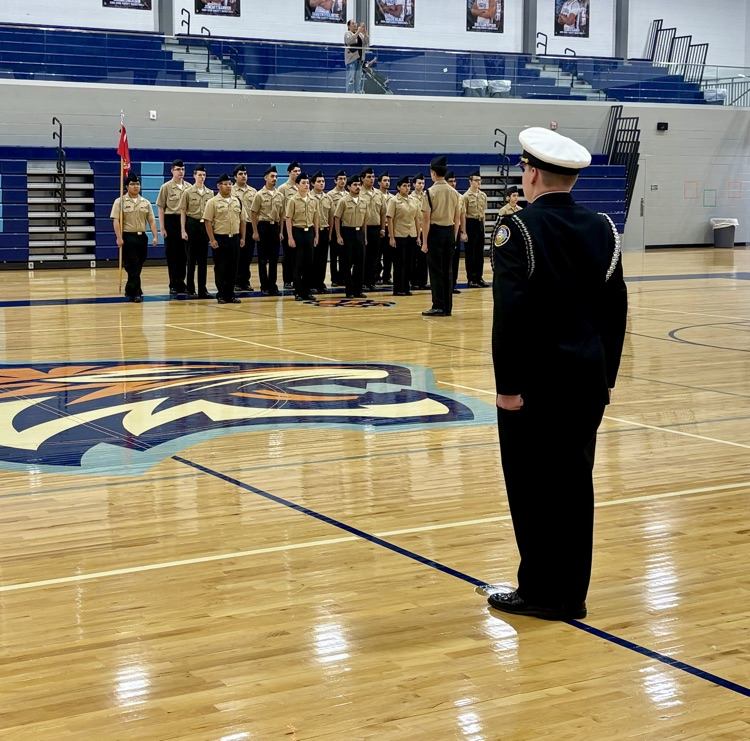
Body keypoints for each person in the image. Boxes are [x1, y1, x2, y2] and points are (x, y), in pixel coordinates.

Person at [487, 127, 628, 620]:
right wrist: (605, 377)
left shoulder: (518, 230)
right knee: (574, 487)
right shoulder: (604, 228)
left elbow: (510, 316)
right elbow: (615, 312)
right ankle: (571, 593)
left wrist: (507, 388)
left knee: (532, 490)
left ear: (531, 174)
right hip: (586, 383)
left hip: (535, 389)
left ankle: (541, 591)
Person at [421, 156, 461, 316]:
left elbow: (426, 220)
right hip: (450, 232)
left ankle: (438, 305)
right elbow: (457, 218)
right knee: (448, 270)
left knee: (436, 271)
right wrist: (454, 237)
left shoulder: (430, 193)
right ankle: (448, 307)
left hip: (435, 233)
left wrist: (424, 242)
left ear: (433, 173)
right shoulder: (455, 193)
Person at [111, 172, 158, 303]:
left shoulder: (145, 202)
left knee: (139, 263)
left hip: (142, 237)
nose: (135, 186)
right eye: (132, 184)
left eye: (137, 184)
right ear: (126, 186)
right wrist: (119, 237)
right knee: (133, 264)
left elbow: (152, 220)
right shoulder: (120, 201)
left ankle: (130, 287)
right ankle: (136, 292)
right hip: (128, 236)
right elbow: (116, 221)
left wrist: (155, 236)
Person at [203, 172, 246, 305]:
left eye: (229, 184)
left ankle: (230, 294)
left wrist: (243, 237)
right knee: (221, 267)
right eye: (225, 184)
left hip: (234, 238)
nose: (228, 186)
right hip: (220, 238)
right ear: (218, 186)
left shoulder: (237, 200)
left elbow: (243, 220)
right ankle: (221, 294)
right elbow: (208, 221)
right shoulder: (212, 202)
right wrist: (212, 239)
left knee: (233, 268)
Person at [179, 164, 214, 299]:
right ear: (194, 176)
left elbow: (212, 214)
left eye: (204, 175)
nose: (202, 177)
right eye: (199, 175)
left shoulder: (210, 193)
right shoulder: (187, 192)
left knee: (203, 260)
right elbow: (183, 211)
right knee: (191, 259)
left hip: (204, 225)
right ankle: (190, 288)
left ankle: (202, 289)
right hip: (192, 224)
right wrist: (183, 229)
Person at [156, 159, 188, 296]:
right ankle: (173, 283)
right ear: (172, 171)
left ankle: (182, 282)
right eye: (177, 169)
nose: (180, 172)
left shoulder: (189, 187)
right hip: (171, 220)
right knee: (172, 254)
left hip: (185, 221)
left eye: (182, 169)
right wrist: (162, 227)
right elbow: (161, 208)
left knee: (184, 255)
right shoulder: (166, 187)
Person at [285, 171, 319, 302]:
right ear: (297, 185)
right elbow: (288, 219)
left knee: (309, 264)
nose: (306, 185)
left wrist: (316, 235)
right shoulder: (293, 200)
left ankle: (307, 291)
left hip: (309, 232)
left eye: (307, 183)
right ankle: (298, 291)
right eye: (303, 183)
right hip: (297, 232)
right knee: (298, 264)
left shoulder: (312, 200)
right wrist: (290, 237)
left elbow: (316, 218)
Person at [334, 175, 369, 298]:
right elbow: (337, 218)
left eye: (359, 185)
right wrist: (338, 235)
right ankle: (349, 290)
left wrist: (364, 236)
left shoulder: (364, 201)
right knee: (347, 263)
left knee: (360, 263)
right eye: (354, 185)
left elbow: (365, 220)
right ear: (349, 187)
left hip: (359, 232)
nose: (357, 187)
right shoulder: (343, 201)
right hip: (347, 232)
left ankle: (358, 290)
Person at [386, 175, 420, 296]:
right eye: (404, 186)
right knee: (399, 263)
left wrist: (418, 236)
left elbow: (417, 219)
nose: (407, 188)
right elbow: (390, 219)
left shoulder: (413, 200)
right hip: (399, 234)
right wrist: (391, 237)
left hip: (411, 234)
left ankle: (406, 287)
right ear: (399, 187)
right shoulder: (394, 201)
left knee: (409, 263)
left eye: (408, 185)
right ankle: (398, 288)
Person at [250, 165, 281, 296]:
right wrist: (255, 231)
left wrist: (281, 231)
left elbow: (283, 214)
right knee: (263, 259)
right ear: (265, 178)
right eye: (272, 176)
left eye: (276, 176)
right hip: (263, 227)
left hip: (275, 227)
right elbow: (253, 213)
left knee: (274, 259)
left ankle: (273, 285)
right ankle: (264, 285)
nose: (274, 179)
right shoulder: (259, 195)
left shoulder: (279, 195)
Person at [275, 161, 302, 289]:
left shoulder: (302, 187)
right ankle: (287, 279)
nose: (297, 173)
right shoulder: (283, 189)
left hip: (300, 225)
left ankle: (298, 278)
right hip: (288, 224)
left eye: (299, 171)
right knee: (288, 254)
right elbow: (281, 210)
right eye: (295, 171)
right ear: (288, 173)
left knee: (299, 254)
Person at [231, 164, 257, 292]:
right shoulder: (231, 190)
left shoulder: (253, 191)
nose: (243, 176)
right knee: (237, 255)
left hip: (249, 225)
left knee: (248, 256)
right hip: (236, 225)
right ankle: (235, 281)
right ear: (235, 177)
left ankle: (245, 281)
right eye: (240, 174)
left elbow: (256, 211)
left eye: (245, 174)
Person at [360, 166, 386, 291]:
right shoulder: (358, 193)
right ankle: (362, 282)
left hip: (375, 229)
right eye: (369, 177)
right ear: (362, 179)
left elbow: (382, 213)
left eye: (373, 177)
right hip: (362, 228)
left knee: (374, 257)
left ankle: (371, 281)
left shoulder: (378, 194)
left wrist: (382, 229)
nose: (371, 179)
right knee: (362, 256)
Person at [463, 170, 489, 287]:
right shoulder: (466, 196)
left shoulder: (483, 195)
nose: (478, 182)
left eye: (479, 180)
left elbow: (483, 213)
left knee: (479, 252)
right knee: (471, 253)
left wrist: (483, 228)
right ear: (470, 181)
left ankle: (479, 277)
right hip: (470, 223)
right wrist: (464, 231)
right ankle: (471, 278)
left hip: (479, 224)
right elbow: (463, 215)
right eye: (476, 180)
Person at [311, 171, 334, 293]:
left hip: (324, 230)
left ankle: (320, 282)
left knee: (322, 259)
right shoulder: (309, 197)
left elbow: (331, 217)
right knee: (312, 259)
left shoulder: (328, 198)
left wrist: (330, 232)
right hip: (312, 231)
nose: (321, 183)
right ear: (313, 183)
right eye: (319, 181)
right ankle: (311, 283)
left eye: (323, 181)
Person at [446, 171, 467, 294]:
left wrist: (463, 232)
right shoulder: (442, 194)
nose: (453, 184)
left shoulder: (460, 197)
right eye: (450, 181)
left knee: (455, 259)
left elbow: (462, 216)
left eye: (454, 181)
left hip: (456, 229)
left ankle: (453, 284)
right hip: (445, 229)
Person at [327, 170, 348, 286]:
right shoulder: (330, 195)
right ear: (335, 180)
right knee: (334, 255)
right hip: (335, 227)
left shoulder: (348, 194)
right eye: (340, 179)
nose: (342, 181)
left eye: (344, 179)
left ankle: (343, 276)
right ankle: (334, 278)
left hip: (345, 227)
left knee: (344, 255)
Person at [410, 173, 429, 290]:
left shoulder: (426, 196)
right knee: (414, 257)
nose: (421, 185)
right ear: (414, 184)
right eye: (419, 183)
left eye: (422, 183)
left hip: (425, 230)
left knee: (424, 258)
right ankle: (414, 280)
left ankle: (423, 281)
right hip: (415, 230)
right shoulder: (411, 198)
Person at [377, 171, 393, 285]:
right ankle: (376, 275)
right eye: (384, 181)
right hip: (378, 227)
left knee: (389, 255)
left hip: (389, 227)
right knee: (377, 254)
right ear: (379, 182)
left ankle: (387, 276)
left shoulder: (392, 197)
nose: (387, 183)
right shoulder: (375, 196)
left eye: (388, 181)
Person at [344, 20, 367, 94]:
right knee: (351, 79)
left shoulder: (360, 35)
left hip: (360, 59)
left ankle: (357, 94)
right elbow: (349, 41)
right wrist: (358, 32)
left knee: (358, 80)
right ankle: (349, 96)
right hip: (351, 60)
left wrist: (365, 32)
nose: (355, 25)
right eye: (353, 24)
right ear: (348, 26)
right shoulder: (347, 34)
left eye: (355, 23)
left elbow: (366, 42)